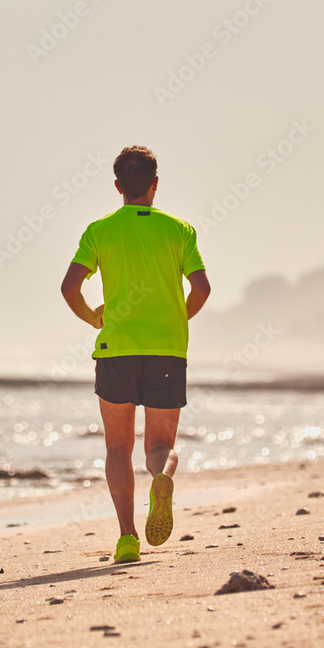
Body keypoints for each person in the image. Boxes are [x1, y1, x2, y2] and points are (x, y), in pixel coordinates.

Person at [60, 145, 211, 563]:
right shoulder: (180, 230)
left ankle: (127, 539)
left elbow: (69, 287)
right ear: (155, 185)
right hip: (167, 350)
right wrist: (177, 319)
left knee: (117, 447)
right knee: (159, 446)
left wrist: (94, 319)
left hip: (117, 350)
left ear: (117, 187)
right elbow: (202, 289)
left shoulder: (99, 230)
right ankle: (162, 478)